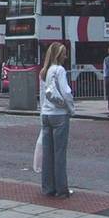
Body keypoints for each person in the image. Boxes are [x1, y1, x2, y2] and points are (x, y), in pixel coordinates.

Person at [39, 42, 74, 198]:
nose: (66, 56)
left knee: (48, 154)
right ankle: (62, 189)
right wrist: (71, 109)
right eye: (64, 53)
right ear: (60, 55)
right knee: (59, 154)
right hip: (59, 114)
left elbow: (42, 95)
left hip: (46, 114)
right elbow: (66, 92)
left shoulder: (44, 71)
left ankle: (48, 188)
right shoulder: (59, 70)